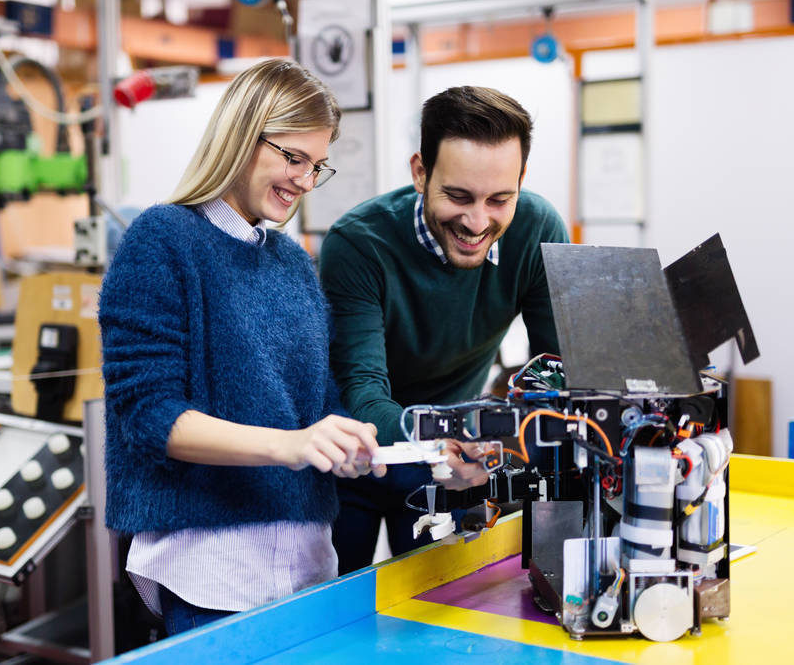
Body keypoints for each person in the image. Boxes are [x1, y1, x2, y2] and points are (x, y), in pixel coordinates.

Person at [99, 58, 386, 637]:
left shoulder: (291, 262)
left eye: (318, 166)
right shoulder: (162, 241)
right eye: (294, 157)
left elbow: (318, 405)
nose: (306, 181)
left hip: (307, 562)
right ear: (241, 136)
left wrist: (360, 445)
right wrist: (293, 445)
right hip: (211, 571)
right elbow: (151, 419)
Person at [319, 86, 569, 573]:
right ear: (420, 172)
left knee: (443, 612)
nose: (477, 222)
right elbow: (365, 391)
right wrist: (445, 440)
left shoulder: (538, 228)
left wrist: (499, 449)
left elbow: (555, 375)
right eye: (458, 196)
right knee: (334, 616)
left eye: (500, 199)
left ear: (521, 180)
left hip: (452, 460)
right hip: (358, 452)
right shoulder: (358, 244)